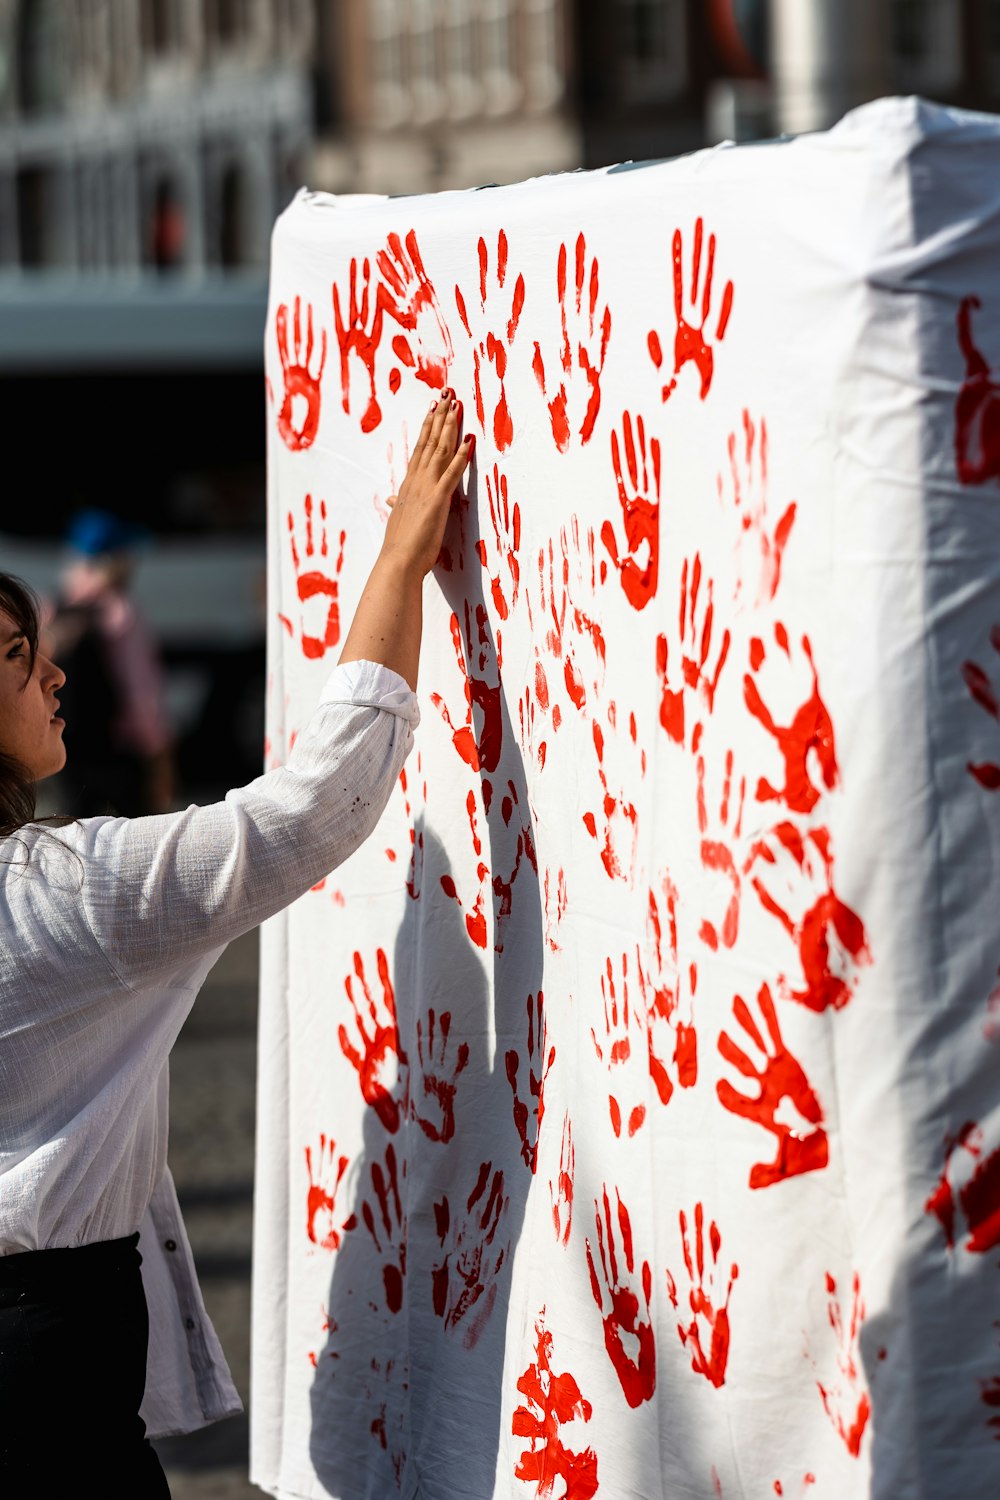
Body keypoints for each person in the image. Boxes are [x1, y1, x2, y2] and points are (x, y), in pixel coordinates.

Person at [0, 395, 473, 1495]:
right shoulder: (67, 893)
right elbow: (314, 810)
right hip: (44, 1371)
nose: (52, 674)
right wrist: (401, 557)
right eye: (21, 661)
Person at [43, 507, 176, 818]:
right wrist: (160, 759)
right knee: (136, 844)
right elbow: (143, 697)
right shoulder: (120, 614)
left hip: (69, 755)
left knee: (78, 846)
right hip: (119, 755)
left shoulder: (53, 609)